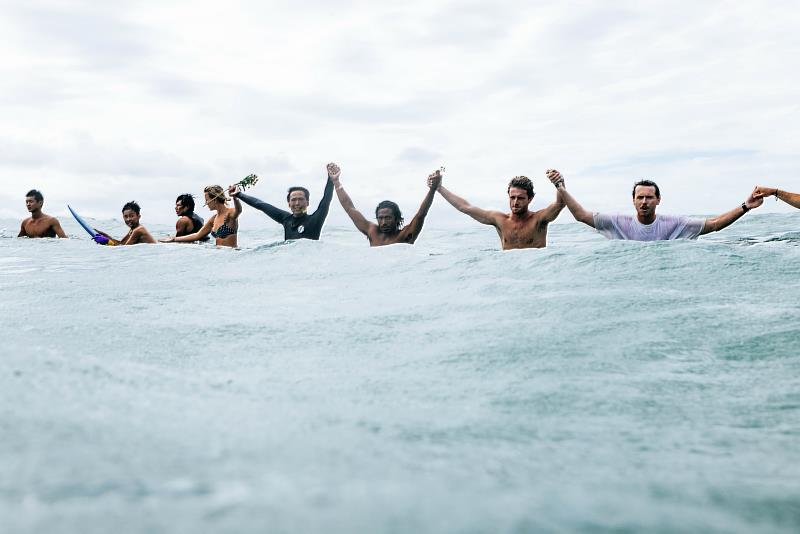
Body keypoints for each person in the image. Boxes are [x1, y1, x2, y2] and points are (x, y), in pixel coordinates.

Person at [552, 176, 763, 240]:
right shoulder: (616, 222)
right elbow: (580, 215)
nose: (644, 202)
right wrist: (560, 187)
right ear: (633, 200)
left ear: (658, 200)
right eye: (640, 197)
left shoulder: (675, 223)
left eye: (649, 197)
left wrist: (746, 206)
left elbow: (715, 224)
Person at [431, 170, 566, 249]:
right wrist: (439, 188)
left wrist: (559, 183)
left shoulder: (539, 219)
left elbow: (560, 203)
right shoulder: (500, 220)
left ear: (530, 199)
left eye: (520, 198)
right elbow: (465, 207)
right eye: (512, 197)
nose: (515, 202)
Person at [332, 167, 441, 246]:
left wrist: (432, 189)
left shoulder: (404, 236)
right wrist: (336, 182)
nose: (383, 222)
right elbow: (349, 208)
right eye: (380, 218)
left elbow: (420, 215)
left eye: (388, 218)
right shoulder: (372, 232)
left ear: (397, 219)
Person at [231, 164, 335, 240]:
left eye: (301, 199)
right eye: (293, 200)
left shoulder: (315, 220)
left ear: (307, 203)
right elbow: (261, 205)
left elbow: (326, 200)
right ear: (289, 204)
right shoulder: (286, 219)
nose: (297, 203)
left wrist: (331, 179)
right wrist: (238, 194)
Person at [161, 185, 242, 247]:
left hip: (231, 256)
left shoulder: (230, 213)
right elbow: (197, 235)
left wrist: (235, 197)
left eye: (207, 200)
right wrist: (174, 239)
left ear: (214, 199)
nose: (206, 203)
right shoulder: (213, 219)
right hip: (218, 257)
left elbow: (238, 210)